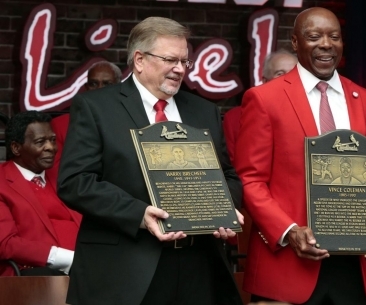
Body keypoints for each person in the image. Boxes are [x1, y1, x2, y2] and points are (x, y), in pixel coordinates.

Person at [57, 17, 243, 305]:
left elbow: (229, 177)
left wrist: (221, 209)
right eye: (171, 60)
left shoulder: (203, 111)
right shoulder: (97, 107)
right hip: (124, 267)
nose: (180, 69)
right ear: (140, 60)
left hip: (198, 266)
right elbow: (75, 182)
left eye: (185, 61)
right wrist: (139, 214)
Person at [234, 7, 366, 305]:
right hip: (286, 266)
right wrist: (289, 231)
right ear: (296, 42)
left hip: (351, 268)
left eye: (334, 37)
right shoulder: (265, 99)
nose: (326, 44)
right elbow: (250, 180)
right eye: (314, 36)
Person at [0, 111, 81, 276]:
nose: (51, 147)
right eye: (40, 142)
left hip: (87, 267)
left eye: (52, 140)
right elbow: (6, 244)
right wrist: (68, 259)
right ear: (16, 148)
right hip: (33, 274)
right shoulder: (2, 181)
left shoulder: (65, 177)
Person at [48, 61, 122, 180]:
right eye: (93, 83)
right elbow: (58, 176)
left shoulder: (130, 120)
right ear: (86, 88)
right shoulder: (59, 124)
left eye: (107, 84)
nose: (99, 89)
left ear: (119, 88)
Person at [223, 50, 298, 162]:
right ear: (265, 81)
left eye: (293, 73)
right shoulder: (235, 118)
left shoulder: (313, 112)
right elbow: (230, 167)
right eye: (280, 74)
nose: (288, 79)